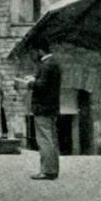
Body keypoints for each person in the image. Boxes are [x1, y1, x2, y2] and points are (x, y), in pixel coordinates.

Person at [28, 38, 61, 180]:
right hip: (52, 107)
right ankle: (53, 169)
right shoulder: (54, 63)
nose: (33, 55)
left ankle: (47, 171)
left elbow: (41, 86)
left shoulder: (45, 65)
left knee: (44, 140)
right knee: (52, 139)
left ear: (40, 51)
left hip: (42, 107)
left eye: (33, 52)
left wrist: (30, 83)